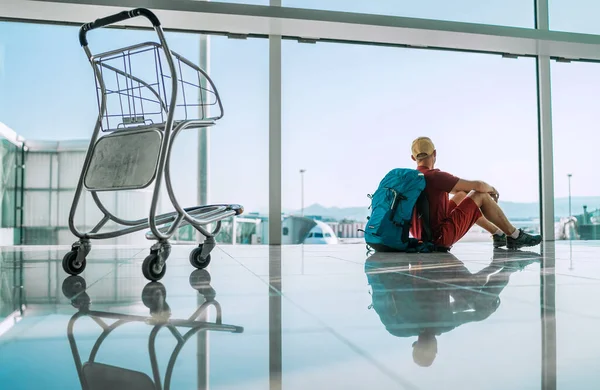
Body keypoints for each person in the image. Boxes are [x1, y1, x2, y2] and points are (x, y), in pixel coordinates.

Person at [409, 136, 542, 250]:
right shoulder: (436, 176)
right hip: (439, 238)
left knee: (461, 195)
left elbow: (463, 191)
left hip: (421, 236)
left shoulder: (412, 178)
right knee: (480, 195)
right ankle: (515, 235)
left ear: (413, 158)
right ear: (435, 153)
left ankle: (497, 234)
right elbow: (478, 186)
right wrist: (492, 190)